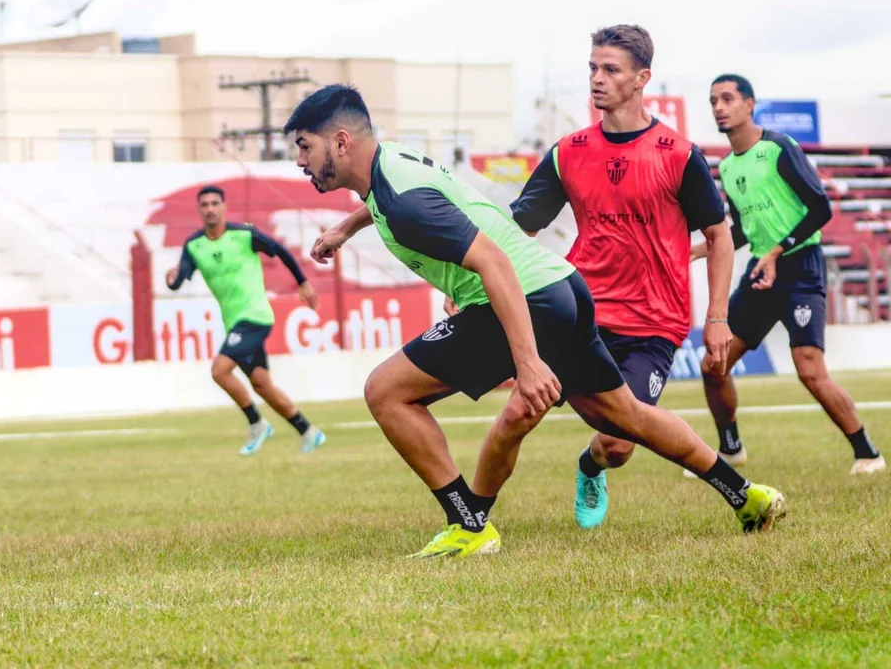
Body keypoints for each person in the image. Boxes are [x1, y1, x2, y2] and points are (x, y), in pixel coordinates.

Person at [287, 83, 786, 559]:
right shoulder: (391, 165)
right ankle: (747, 495)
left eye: (305, 147)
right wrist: (344, 230)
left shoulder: (403, 200)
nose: (300, 161)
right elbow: (384, 202)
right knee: (625, 416)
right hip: (564, 287)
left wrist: (527, 363)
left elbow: (494, 264)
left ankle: (468, 526)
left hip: (524, 298)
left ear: (342, 141)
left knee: (386, 391)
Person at [508, 24, 736, 529]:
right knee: (520, 411)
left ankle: (591, 465)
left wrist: (717, 317)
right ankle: (471, 518)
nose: (597, 79)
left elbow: (719, 237)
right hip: (580, 311)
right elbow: (516, 228)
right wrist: (474, 282)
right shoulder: (569, 151)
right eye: (592, 68)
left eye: (610, 69)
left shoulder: (678, 154)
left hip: (653, 322)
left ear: (641, 78)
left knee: (618, 442)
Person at [695, 74, 884, 475]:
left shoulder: (779, 147)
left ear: (749, 104)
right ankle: (731, 449)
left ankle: (867, 453)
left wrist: (777, 252)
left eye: (728, 98)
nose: (719, 107)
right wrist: (703, 248)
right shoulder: (727, 167)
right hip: (761, 271)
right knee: (714, 364)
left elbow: (820, 208)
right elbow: (744, 229)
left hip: (800, 266)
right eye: (713, 100)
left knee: (810, 370)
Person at [166, 185, 327, 456]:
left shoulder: (244, 234)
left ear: (224, 207)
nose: (210, 209)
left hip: (255, 316)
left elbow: (280, 249)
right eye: (204, 205)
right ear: (199, 210)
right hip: (233, 323)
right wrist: (171, 280)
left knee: (219, 370)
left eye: (214, 203)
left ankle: (257, 423)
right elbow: (180, 277)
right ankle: (308, 431)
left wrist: (303, 283)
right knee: (262, 385)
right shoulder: (194, 246)